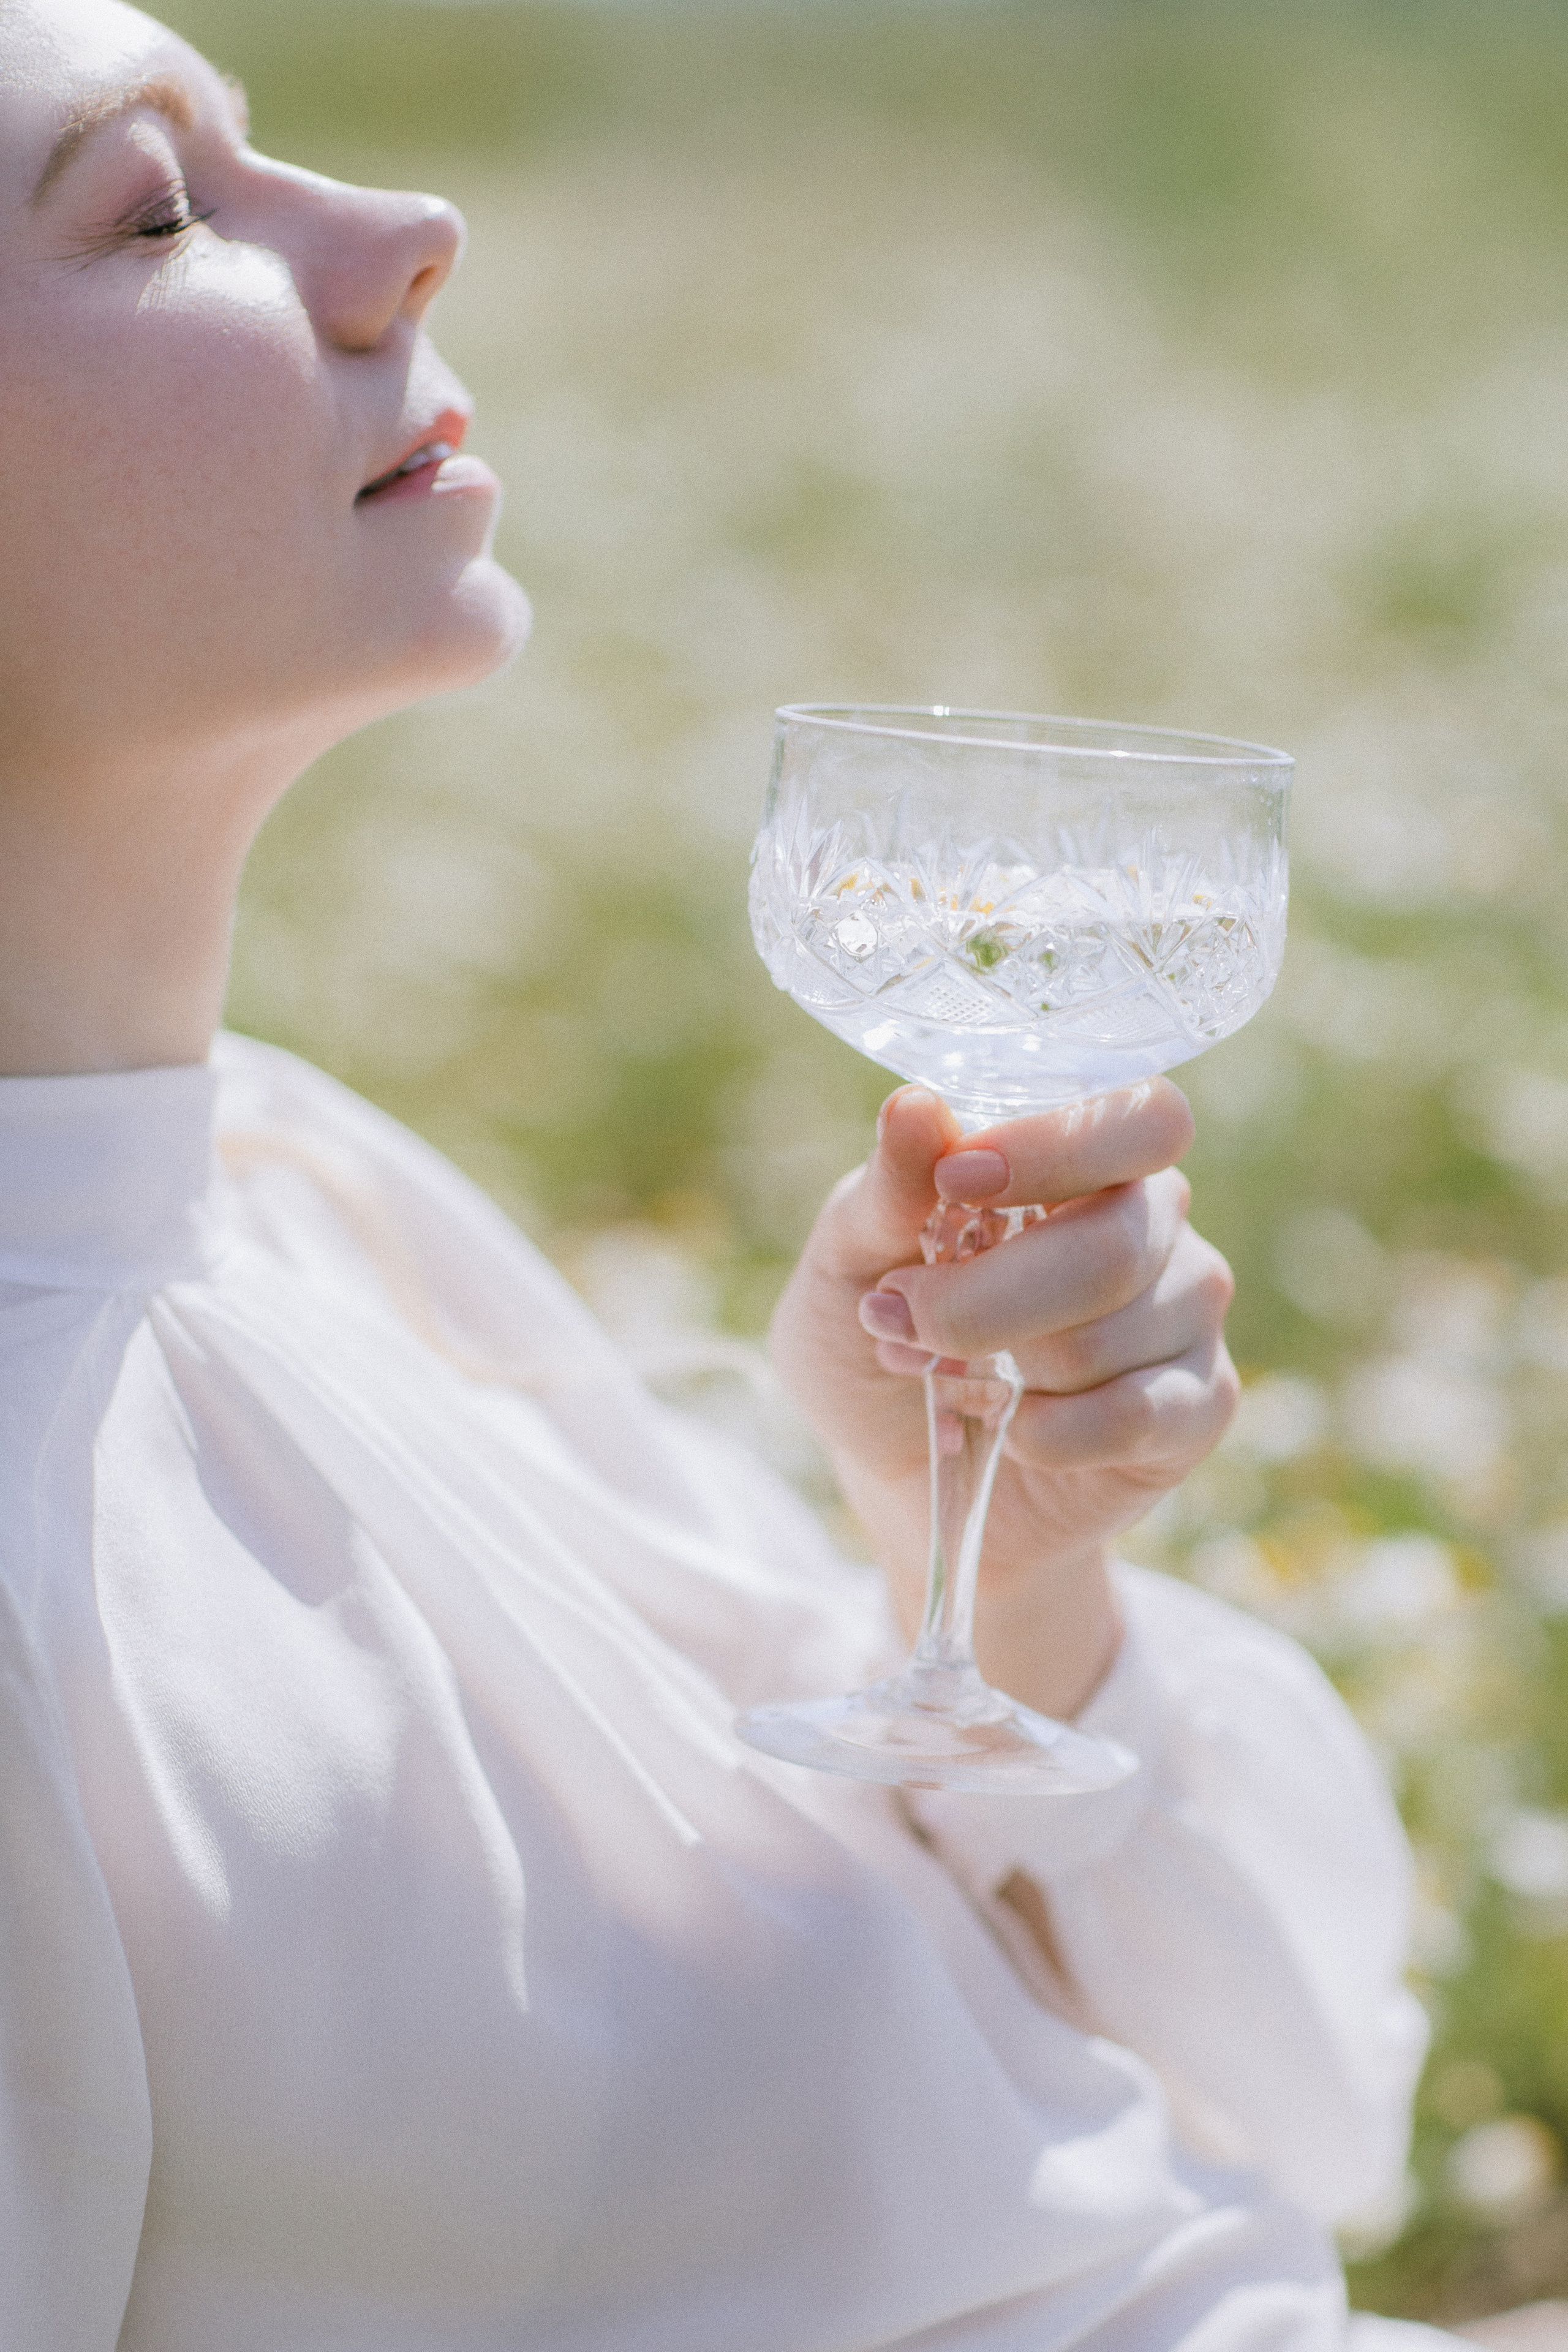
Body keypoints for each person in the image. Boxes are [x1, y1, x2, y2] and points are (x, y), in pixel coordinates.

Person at [0, 3, 1537, 2346]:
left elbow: (1288, 2121)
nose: (414, 231)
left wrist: (991, 1572)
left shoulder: (302, 1188)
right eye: (157, 209)